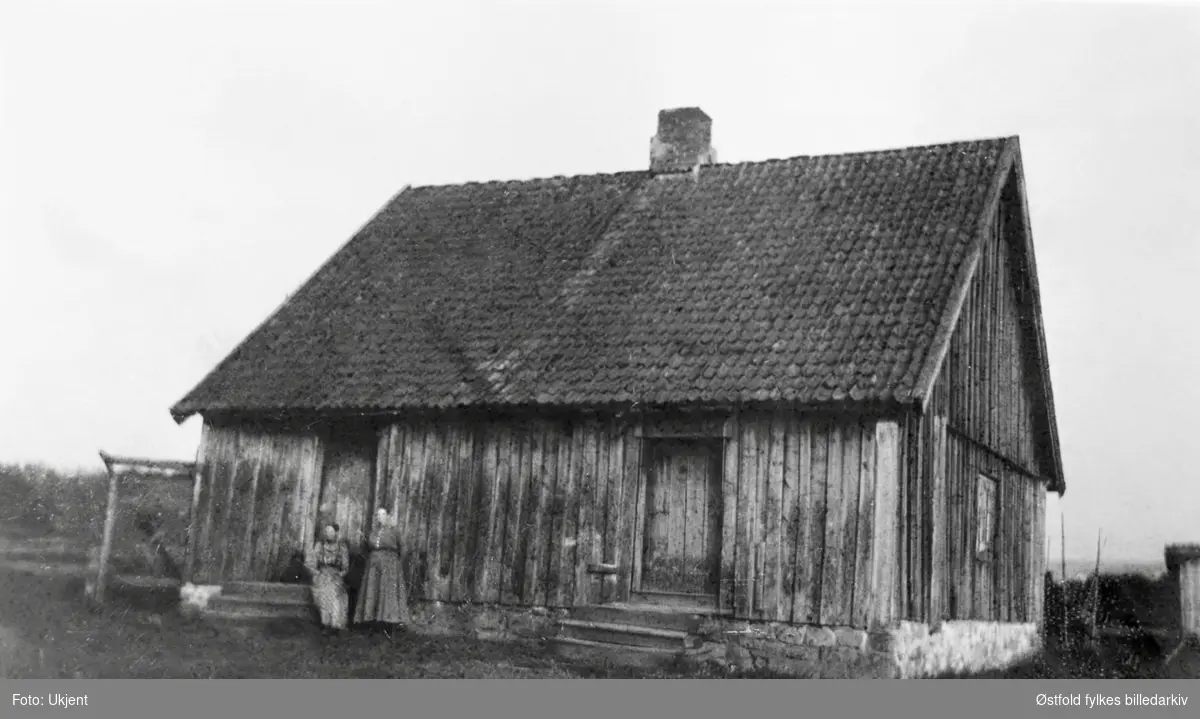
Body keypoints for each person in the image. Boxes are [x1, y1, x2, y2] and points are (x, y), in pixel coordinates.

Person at [353, 507, 410, 633]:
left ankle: (389, 622)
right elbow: (367, 548)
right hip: (373, 567)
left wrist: (397, 564)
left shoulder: (395, 531)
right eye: (378, 515)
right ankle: (373, 621)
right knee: (373, 591)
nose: (380, 517)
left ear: (388, 516)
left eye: (383, 514)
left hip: (390, 567)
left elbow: (404, 548)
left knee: (387, 593)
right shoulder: (373, 531)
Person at [306, 522, 350, 634]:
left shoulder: (341, 547)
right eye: (326, 531)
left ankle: (335, 624)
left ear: (336, 533)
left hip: (335, 574)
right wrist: (316, 573)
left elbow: (345, 566)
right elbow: (311, 562)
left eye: (331, 531)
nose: (328, 534)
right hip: (322, 573)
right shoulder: (319, 545)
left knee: (335, 591)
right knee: (323, 591)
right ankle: (325, 623)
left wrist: (341, 574)